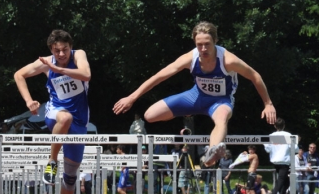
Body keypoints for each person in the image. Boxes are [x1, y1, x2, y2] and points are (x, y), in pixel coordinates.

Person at [113, 21, 276, 167]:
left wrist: (267, 103)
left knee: (221, 119)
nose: (203, 49)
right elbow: (159, 76)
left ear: (215, 41)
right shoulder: (189, 58)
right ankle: (188, 112)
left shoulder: (228, 60)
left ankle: (213, 152)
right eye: (199, 45)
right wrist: (132, 97)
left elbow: (255, 76)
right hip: (196, 96)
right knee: (150, 115)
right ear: (195, 43)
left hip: (220, 101)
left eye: (207, 44)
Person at [13, 30, 91, 194]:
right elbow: (18, 75)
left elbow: (86, 74)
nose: (61, 53)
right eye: (57, 51)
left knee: (71, 177)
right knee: (63, 118)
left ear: (70, 47)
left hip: (80, 123)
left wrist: (59, 68)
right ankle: (51, 161)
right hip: (55, 114)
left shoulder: (78, 55)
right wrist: (29, 101)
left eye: (64, 49)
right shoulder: (46, 62)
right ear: (51, 50)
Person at [263, 118, 292, 194]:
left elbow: (267, 149)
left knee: (287, 181)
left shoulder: (271, 136)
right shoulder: (288, 135)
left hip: (276, 161)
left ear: (275, 126)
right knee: (280, 181)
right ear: (284, 126)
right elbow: (295, 149)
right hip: (284, 161)